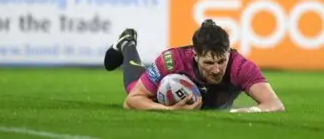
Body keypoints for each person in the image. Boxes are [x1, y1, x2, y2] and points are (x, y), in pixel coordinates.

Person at [102, 21, 285, 111]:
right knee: (135, 89)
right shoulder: (172, 60)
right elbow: (131, 102)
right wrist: (169, 110)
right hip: (171, 101)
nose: (216, 69)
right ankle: (127, 44)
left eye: (222, 61)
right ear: (195, 55)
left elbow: (275, 104)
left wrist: (242, 112)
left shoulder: (240, 67)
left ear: (229, 52)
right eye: (209, 63)